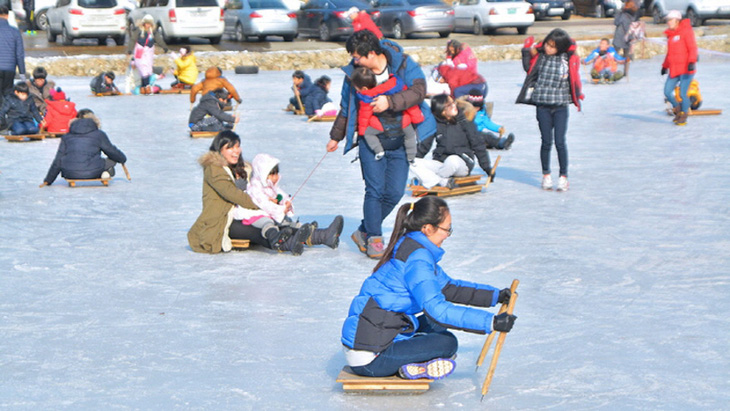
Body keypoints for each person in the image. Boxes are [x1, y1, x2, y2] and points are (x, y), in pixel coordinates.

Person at [340, 196, 517, 379]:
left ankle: (411, 362)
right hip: (371, 359)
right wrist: (490, 322)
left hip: (376, 337)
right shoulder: (417, 259)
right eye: (446, 229)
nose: (448, 235)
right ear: (427, 228)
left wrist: (495, 296)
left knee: (433, 324)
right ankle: (414, 366)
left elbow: (449, 288)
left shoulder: (411, 247)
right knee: (447, 343)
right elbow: (438, 310)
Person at [326, 11, 436, 259]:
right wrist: (336, 136)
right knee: (374, 190)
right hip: (370, 139)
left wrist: (390, 102)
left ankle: (364, 230)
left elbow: (419, 90)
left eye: (356, 57)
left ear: (371, 54)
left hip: (400, 138)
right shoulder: (354, 74)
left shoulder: (403, 63)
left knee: (395, 192)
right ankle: (375, 237)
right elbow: (347, 106)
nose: (354, 61)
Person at [232, 153, 345, 255]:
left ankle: (324, 235)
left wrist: (286, 203)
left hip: (271, 213)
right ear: (263, 175)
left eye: (276, 173)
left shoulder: (271, 186)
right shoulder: (255, 187)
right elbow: (264, 204)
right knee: (267, 222)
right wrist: (279, 210)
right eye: (272, 174)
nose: (275, 177)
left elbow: (281, 195)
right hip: (253, 215)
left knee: (287, 222)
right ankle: (275, 237)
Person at [516, 30, 583, 192]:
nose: (548, 48)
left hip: (560, 106)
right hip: (543, 105)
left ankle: (563, 177)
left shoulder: (567, 59)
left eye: (553, 46)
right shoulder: (540, 57)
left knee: (560, 141)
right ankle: (546, 175)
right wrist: (526, 50)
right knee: (546, 141)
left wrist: (578, 92)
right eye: (547, 44)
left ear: (560, 47)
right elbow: (528, 68)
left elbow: (575, 76)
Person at [411, 94, 494, 189]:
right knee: (412, 161)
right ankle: (442, 181)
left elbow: (478, 145)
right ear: (441, 110)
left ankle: (430, 180)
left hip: (462, 163)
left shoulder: (466, 122)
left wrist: (487, 167)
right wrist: (416, 162)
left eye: (453, 102)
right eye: (449, 105)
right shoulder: (435, 124)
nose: (454, 105)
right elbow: (424, 145)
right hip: (441, 163)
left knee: (452, 160)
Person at [350, 66, 423, 162]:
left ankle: (379, 151)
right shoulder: (395, 85)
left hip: (381, 125)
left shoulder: (366, 97)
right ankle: (411, 157)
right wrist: (417, 118)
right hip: (403, 121)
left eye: (356, 88)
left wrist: (362, 131)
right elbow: (410, 105)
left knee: (368, 134)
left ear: (364, 88)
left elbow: (364, 116)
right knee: (410, 136)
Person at [41, 109, 127, 186]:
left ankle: (103, 171)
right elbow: (111, 151)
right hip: (93, 171)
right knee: (113, 159)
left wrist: (48, 180)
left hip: (70, 172)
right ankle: (106, 172)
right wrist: (122, 159)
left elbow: (58, 159)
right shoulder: (99, 134)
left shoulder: (67, 136)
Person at [661, 9, 697, 126]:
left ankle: (683, 114)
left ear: (677, 20)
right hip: (675, 69)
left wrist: (692, 61)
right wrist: (665, 66)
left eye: (670, 20)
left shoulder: (686, 31)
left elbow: (692, 48)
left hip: (687, 68)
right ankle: (677, 108)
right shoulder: (670, 35)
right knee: (667, 91)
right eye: (668, 20)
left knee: (683, 94)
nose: (668, 22)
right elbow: (669, 53)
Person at [126, 14, 169, 93]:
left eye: (149, 24)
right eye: (146, 23)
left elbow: (159, 39)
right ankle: (146, 86)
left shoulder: (153, 31)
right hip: (139, 51)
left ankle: (145, 86)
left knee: (148, 69)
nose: (148, 25)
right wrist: (129, 50)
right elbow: (132, 40)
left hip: (149, 51)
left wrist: (164, 47)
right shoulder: (138, 30)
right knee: (143, 68)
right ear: (143, 23)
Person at [0, 5, 26, 108]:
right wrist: (22, 72)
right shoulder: (15, 32)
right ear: (7, 15)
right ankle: (5, 120)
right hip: (10, 69)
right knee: (7, 95)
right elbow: (19, 54)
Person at [613, 0, 640, 76]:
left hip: (625, 38)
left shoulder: (631, 14)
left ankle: (624, 72)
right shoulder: (624, 14)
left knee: (624, 56)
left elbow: (629, 26)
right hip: (621, 37)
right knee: (615, 55)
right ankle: (614, 70)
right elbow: (617, 23)